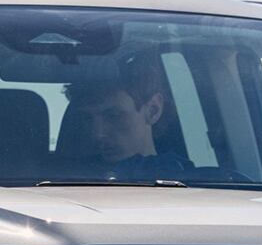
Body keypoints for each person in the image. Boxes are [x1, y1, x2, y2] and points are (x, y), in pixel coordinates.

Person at [59, 51, 191, 179]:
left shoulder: (192, 182)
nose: (97, 133)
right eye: (87, 119)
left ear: (153, 110)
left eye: (113, 116)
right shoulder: (64, 178)